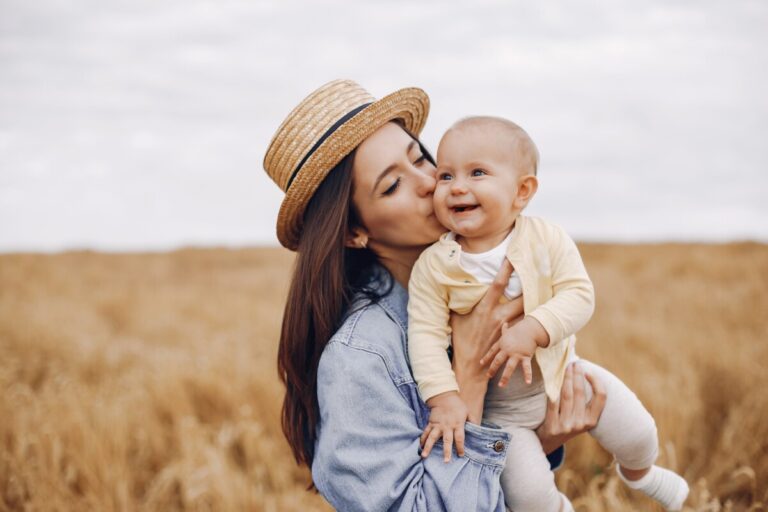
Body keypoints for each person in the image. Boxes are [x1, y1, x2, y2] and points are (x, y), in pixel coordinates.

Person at [262, 79, 607, 511]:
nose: (431, 182)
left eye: (421, 158)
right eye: (392, 185)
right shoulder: (361, 357)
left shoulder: (475, 286)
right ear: (354, 232)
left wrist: (544, 440)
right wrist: (468, 375)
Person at [407, 116, 690, 511]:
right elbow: (424, 335)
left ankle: (640, 473)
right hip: (501, 413)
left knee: (639, 432)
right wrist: (444, 399)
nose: (457, 187)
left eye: (477, 173)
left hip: (564, 373)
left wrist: (535, 329)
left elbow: (578, 293)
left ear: (521, 192)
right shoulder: (434, 266)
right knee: (528, 497)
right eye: (445, 175)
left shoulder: (545, 238)